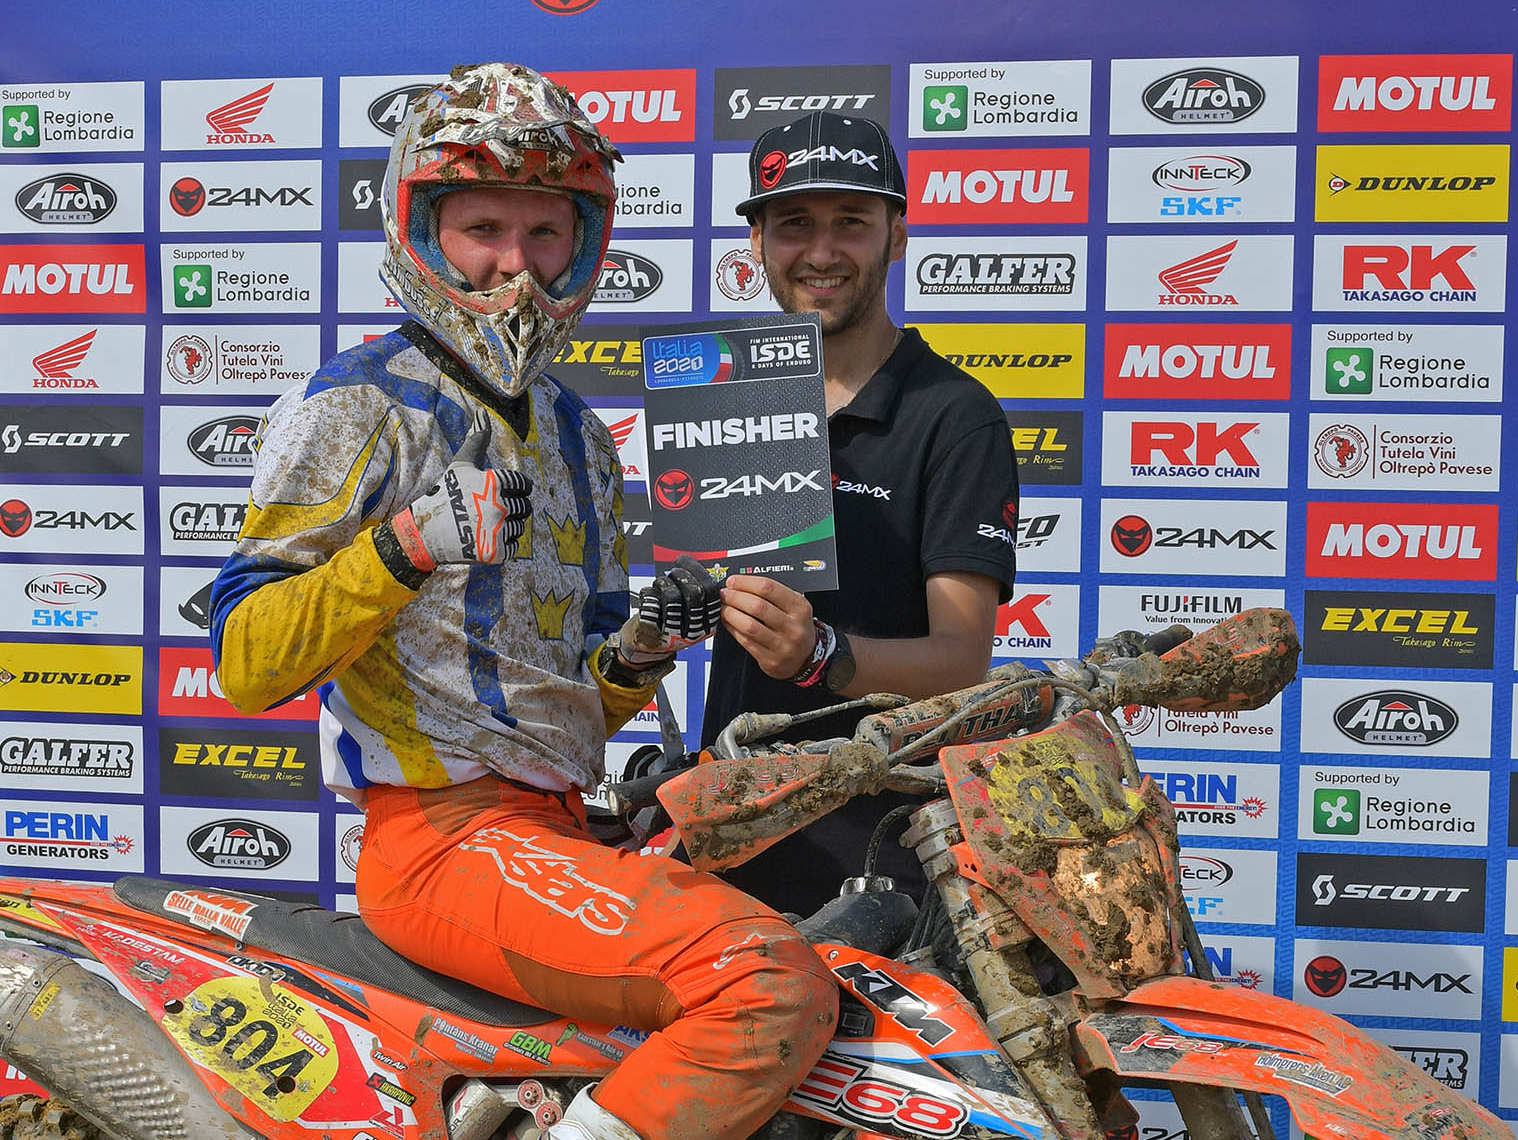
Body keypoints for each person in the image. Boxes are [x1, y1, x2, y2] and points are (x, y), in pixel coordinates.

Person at [209, 64, 835, 1140]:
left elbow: (570, 705)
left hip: (556, 824)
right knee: (763, 980)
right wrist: (404, 548)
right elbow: (246, 662)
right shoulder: (357, 402)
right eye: (483, 228)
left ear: (585, 243)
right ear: (420, 229)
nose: (516, 265)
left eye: (546, 232)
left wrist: (638, 652)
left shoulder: (580, 433)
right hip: (437, 839)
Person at [704, 110, 1020, 916]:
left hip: (880, 856)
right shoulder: (736, 394)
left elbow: (962, 661)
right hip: (731, 832)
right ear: (757, 243)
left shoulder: (953, 414)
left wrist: (822, 653)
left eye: (851, 221)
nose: (822, 252)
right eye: (794, 225)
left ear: (897, 236)